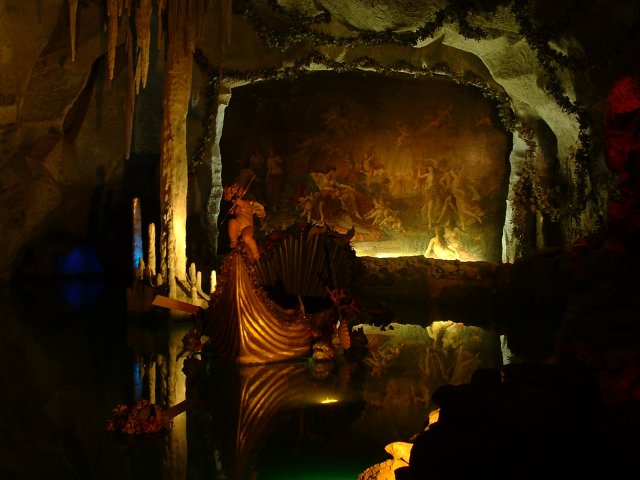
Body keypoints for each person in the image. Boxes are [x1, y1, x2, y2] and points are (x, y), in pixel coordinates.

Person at [223, 183, 266, 261]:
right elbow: (232, 212)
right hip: (238, 226)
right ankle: (233, 240)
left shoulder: (248, 203)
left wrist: (241, 202)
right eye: (235, 194)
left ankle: (256, 254)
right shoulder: (236, 206)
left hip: (248, 227)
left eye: (238, 192)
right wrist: (231, 210)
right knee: (232, 222)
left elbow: (247, 206)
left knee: (246, 237)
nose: (236, 195)